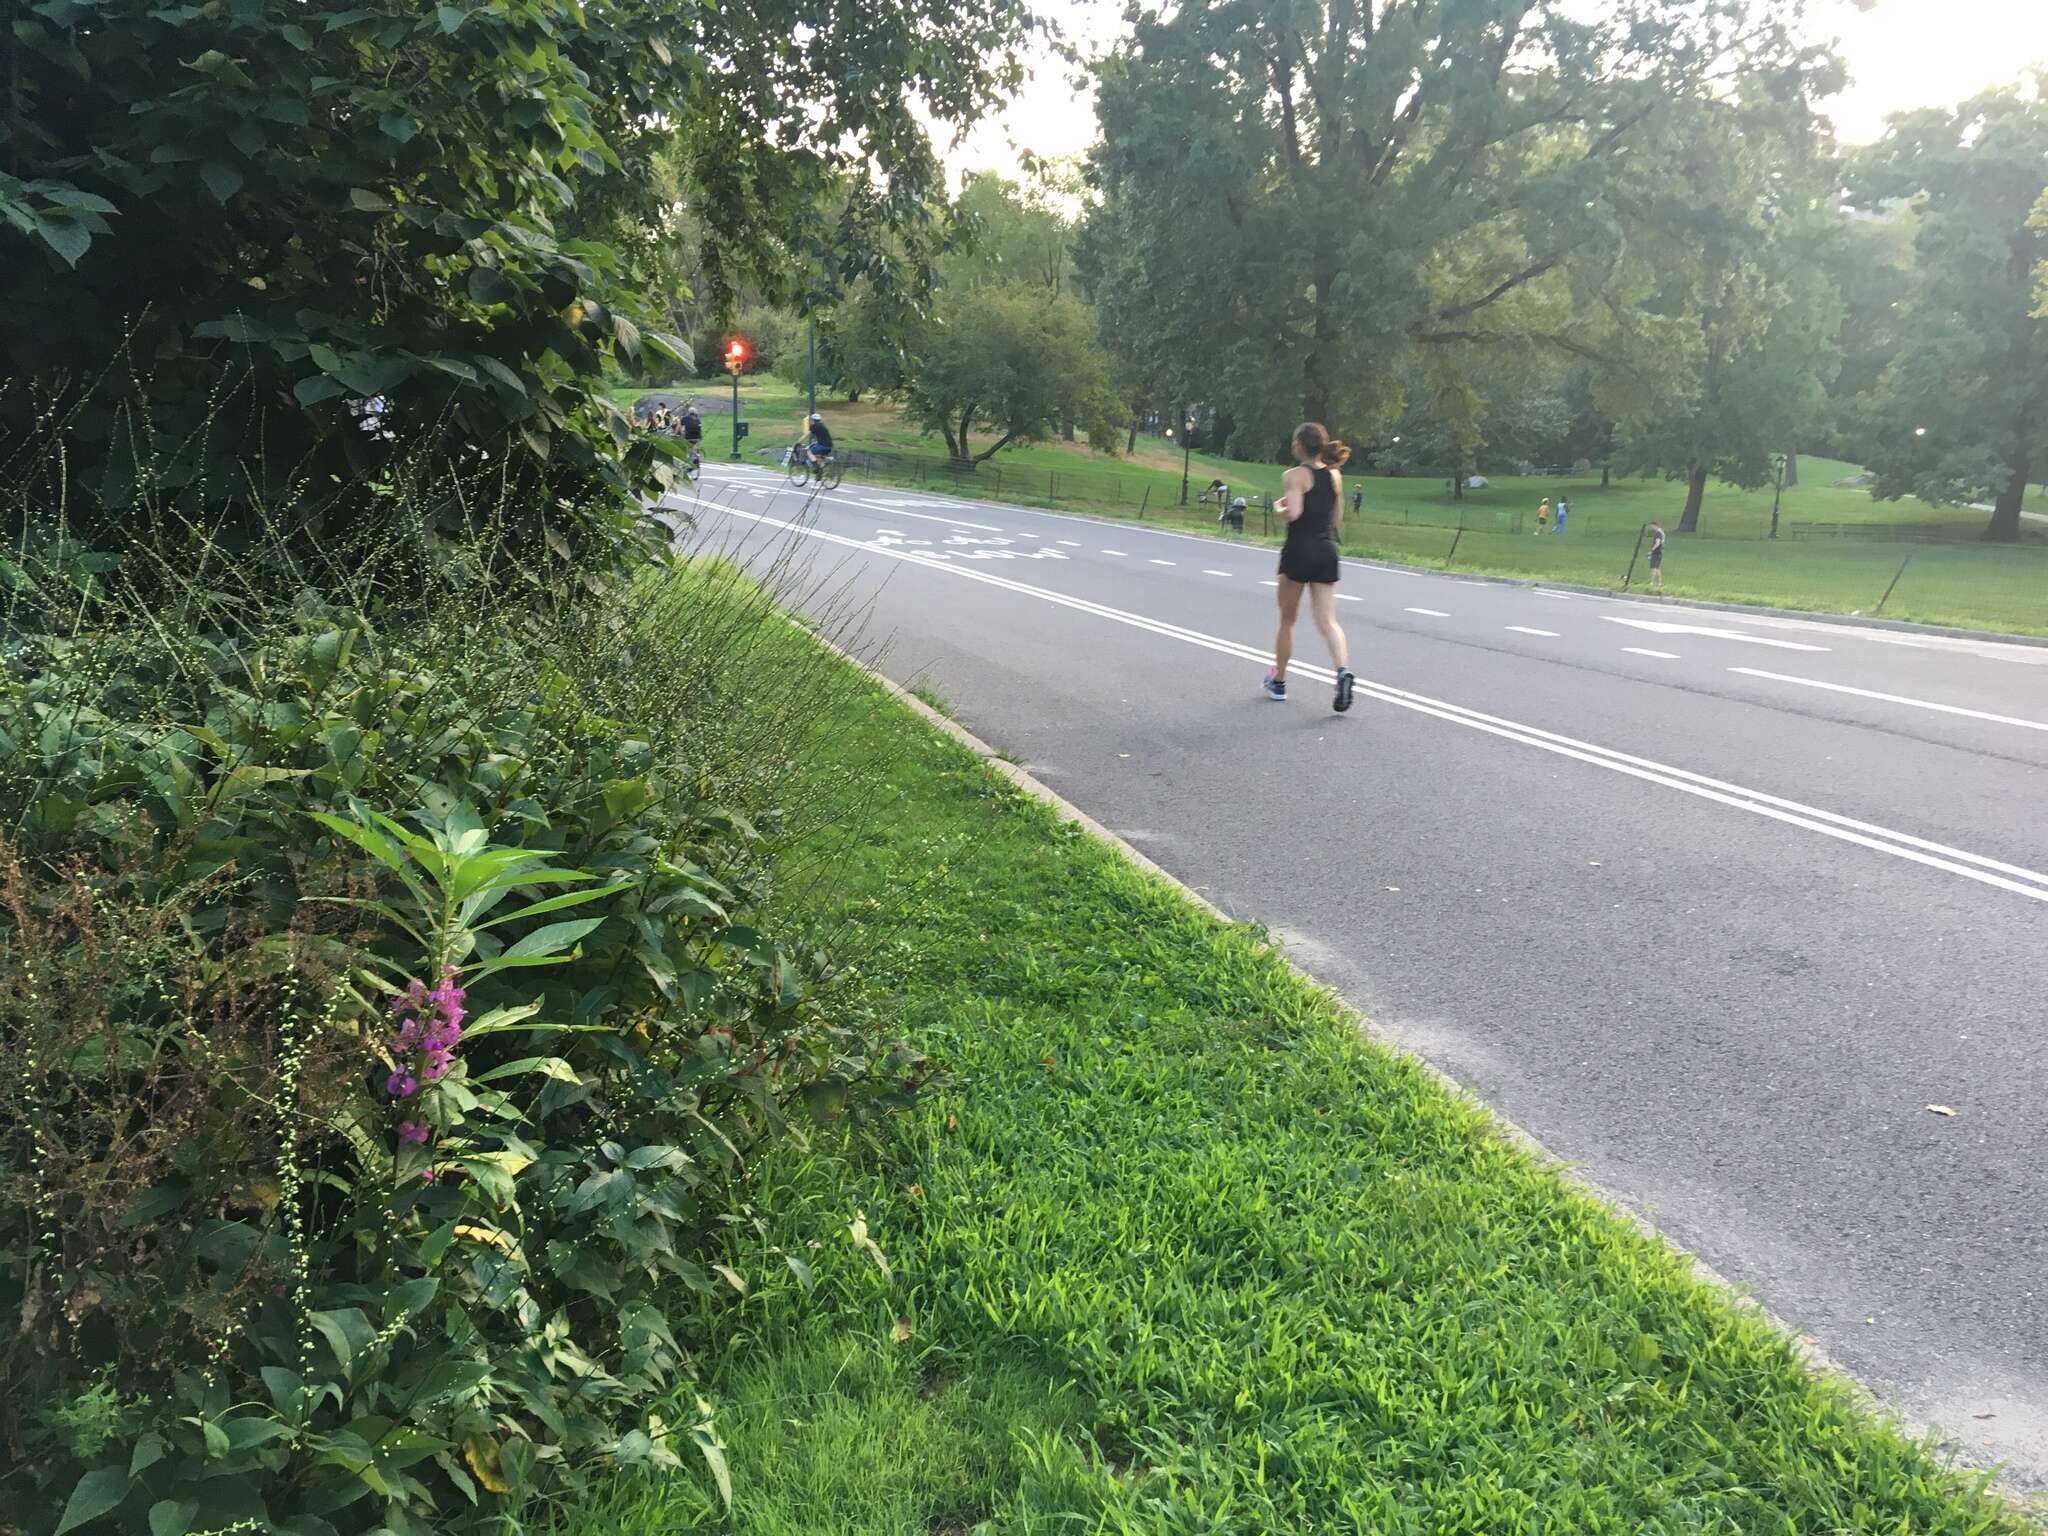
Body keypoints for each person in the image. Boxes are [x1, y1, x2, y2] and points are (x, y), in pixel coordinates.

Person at [1263, 421, 1355, 712]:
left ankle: (1278, 682)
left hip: (1299, 550)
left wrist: (1278, 506)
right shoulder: (1335, 476)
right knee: (1328, 620)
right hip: (1327, 548)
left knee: (1287, 620)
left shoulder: (1293, 475)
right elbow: (1335, 516)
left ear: (1299, 446)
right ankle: (1342, 671)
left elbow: (1294, 513)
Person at [679, 400, 703, 471]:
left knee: (688, 450)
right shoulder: (698, 419)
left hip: (688, 437)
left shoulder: (685, 418)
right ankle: (697, 457)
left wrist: (679, 433)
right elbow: (700, 428)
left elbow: (679, 427)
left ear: (689, 412)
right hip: (698, 437)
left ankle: (690, 464)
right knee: (695, 448)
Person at [1647, 521, 1665, 590]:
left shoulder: (1658, 533)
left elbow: (1657, 543)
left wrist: (1651, 550)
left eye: (1652, 526)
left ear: (1655, 526)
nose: (1652, 528)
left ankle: (1652, 582)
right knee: (1657, 568)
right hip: (1660, 552)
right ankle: (1659, 582)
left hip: (1656, 552)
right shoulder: (1662, 533)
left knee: (1653, 568)